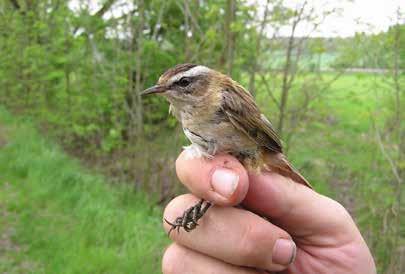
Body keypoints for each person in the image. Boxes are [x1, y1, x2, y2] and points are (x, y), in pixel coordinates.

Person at [162, 151, 377, 274]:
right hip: (236, 181)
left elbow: (260, 147)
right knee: (225, 187)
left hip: (254, 159)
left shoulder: (217, 101)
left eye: (183, 85)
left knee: (228, 185)